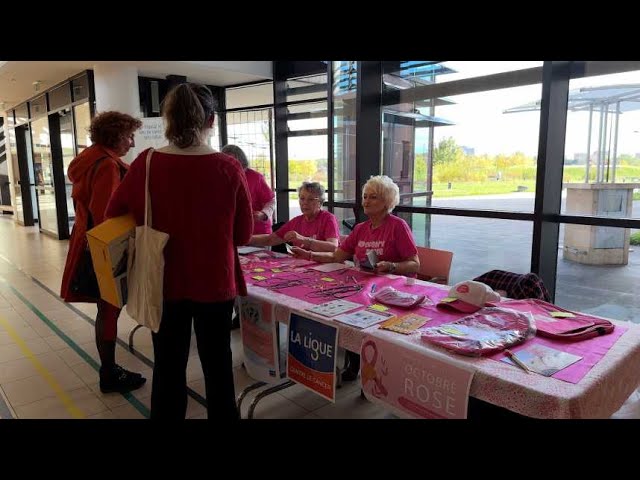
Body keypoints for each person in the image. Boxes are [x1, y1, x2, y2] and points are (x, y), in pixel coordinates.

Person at [106, 83, 253, 419]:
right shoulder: (228, 168)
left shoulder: (148, 162)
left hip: (163, 281)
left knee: (168, 367)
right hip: (216, 284)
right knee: (218, 368)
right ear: (212, 120)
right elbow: (243, 234)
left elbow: (113, 212)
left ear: (167, 120)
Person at [292, 175, 419, 381]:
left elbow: (415, 264)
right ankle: (354, 356)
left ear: (387, 201)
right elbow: (337, 256)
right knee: (345, 308)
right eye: (365, 196)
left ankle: (376, 366)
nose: (366, 201)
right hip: (365, 289)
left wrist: (391, 266)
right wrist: (308, 255)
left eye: (373, 197)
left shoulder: (398, 225)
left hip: (394, 292)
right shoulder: (360, 229)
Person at [60, 111, 146, 394]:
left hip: (87, 242)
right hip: (105, 248)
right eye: (129, 136)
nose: (132, 143)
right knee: (109, 310)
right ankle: (109, 373)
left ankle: (109, 369)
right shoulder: (108, 165)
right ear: (115, 136)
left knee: (105, 309)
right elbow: (107, 214)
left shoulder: (87, 161)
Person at [247, 181, 339, 252]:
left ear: (320, 202)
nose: (305, 203)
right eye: (302, 199)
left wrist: (303, 239)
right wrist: (244, 239)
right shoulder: (297, 221)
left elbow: (333, 247)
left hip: (326, 267)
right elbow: (270, 239)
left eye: (310, 199)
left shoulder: (328, 218)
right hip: (304, 266)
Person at [221, 144, 275, 235]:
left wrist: (263, 214)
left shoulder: (255, 177)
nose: (230, 164)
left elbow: (271, 201)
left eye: (233, 160)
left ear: (241, 161)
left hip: (258, 232)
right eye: (226, 161)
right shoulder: (221, 178)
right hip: (233, 231)